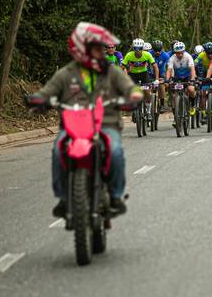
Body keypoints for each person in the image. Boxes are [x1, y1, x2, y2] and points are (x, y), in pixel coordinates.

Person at [30, 22, 141, 218]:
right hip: (73, 125)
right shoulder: (66, 73)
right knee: (57, 151)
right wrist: (39, 99)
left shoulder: (112, 71)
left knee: (115, 152)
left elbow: (129, 88)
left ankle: (115, 196)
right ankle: (63, 197)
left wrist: (134, 96)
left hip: (106, 123)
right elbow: (48, 91)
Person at [122, 38, 158, 118]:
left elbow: (155, 67)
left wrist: (157, 79)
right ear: (133, 48)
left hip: (144, 74)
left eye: (140, 48)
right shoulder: (129, 55)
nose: (138, 51)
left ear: (143, 48)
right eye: (136, 48)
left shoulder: (147, 54)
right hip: (133, 75)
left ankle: (148, 111)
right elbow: (122, 67)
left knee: (147, 91)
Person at [165, 41, 197, 118]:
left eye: (181, 52)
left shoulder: (188, 56)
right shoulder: (172, 58)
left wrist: (192, 79)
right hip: (177, 78)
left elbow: (192, 69)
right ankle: (176, 114)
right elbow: (169, 70)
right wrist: (167, 80)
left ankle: (192, 105)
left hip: (187, 77)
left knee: (191, 89)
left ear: (184, 51)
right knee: (174, 96)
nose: (180, 54)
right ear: (175, 52)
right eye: (178, 53)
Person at [150, 40, 170, 111]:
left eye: (159, 50)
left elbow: (168, 68)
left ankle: (162, 104)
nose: (157, 52)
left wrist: (167, 79)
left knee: (161, 85)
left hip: (162, 73)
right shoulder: (149, 54)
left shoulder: (166, 55)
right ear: (153, 49)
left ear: (162, 49)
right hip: (151, 73)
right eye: (155, 51)